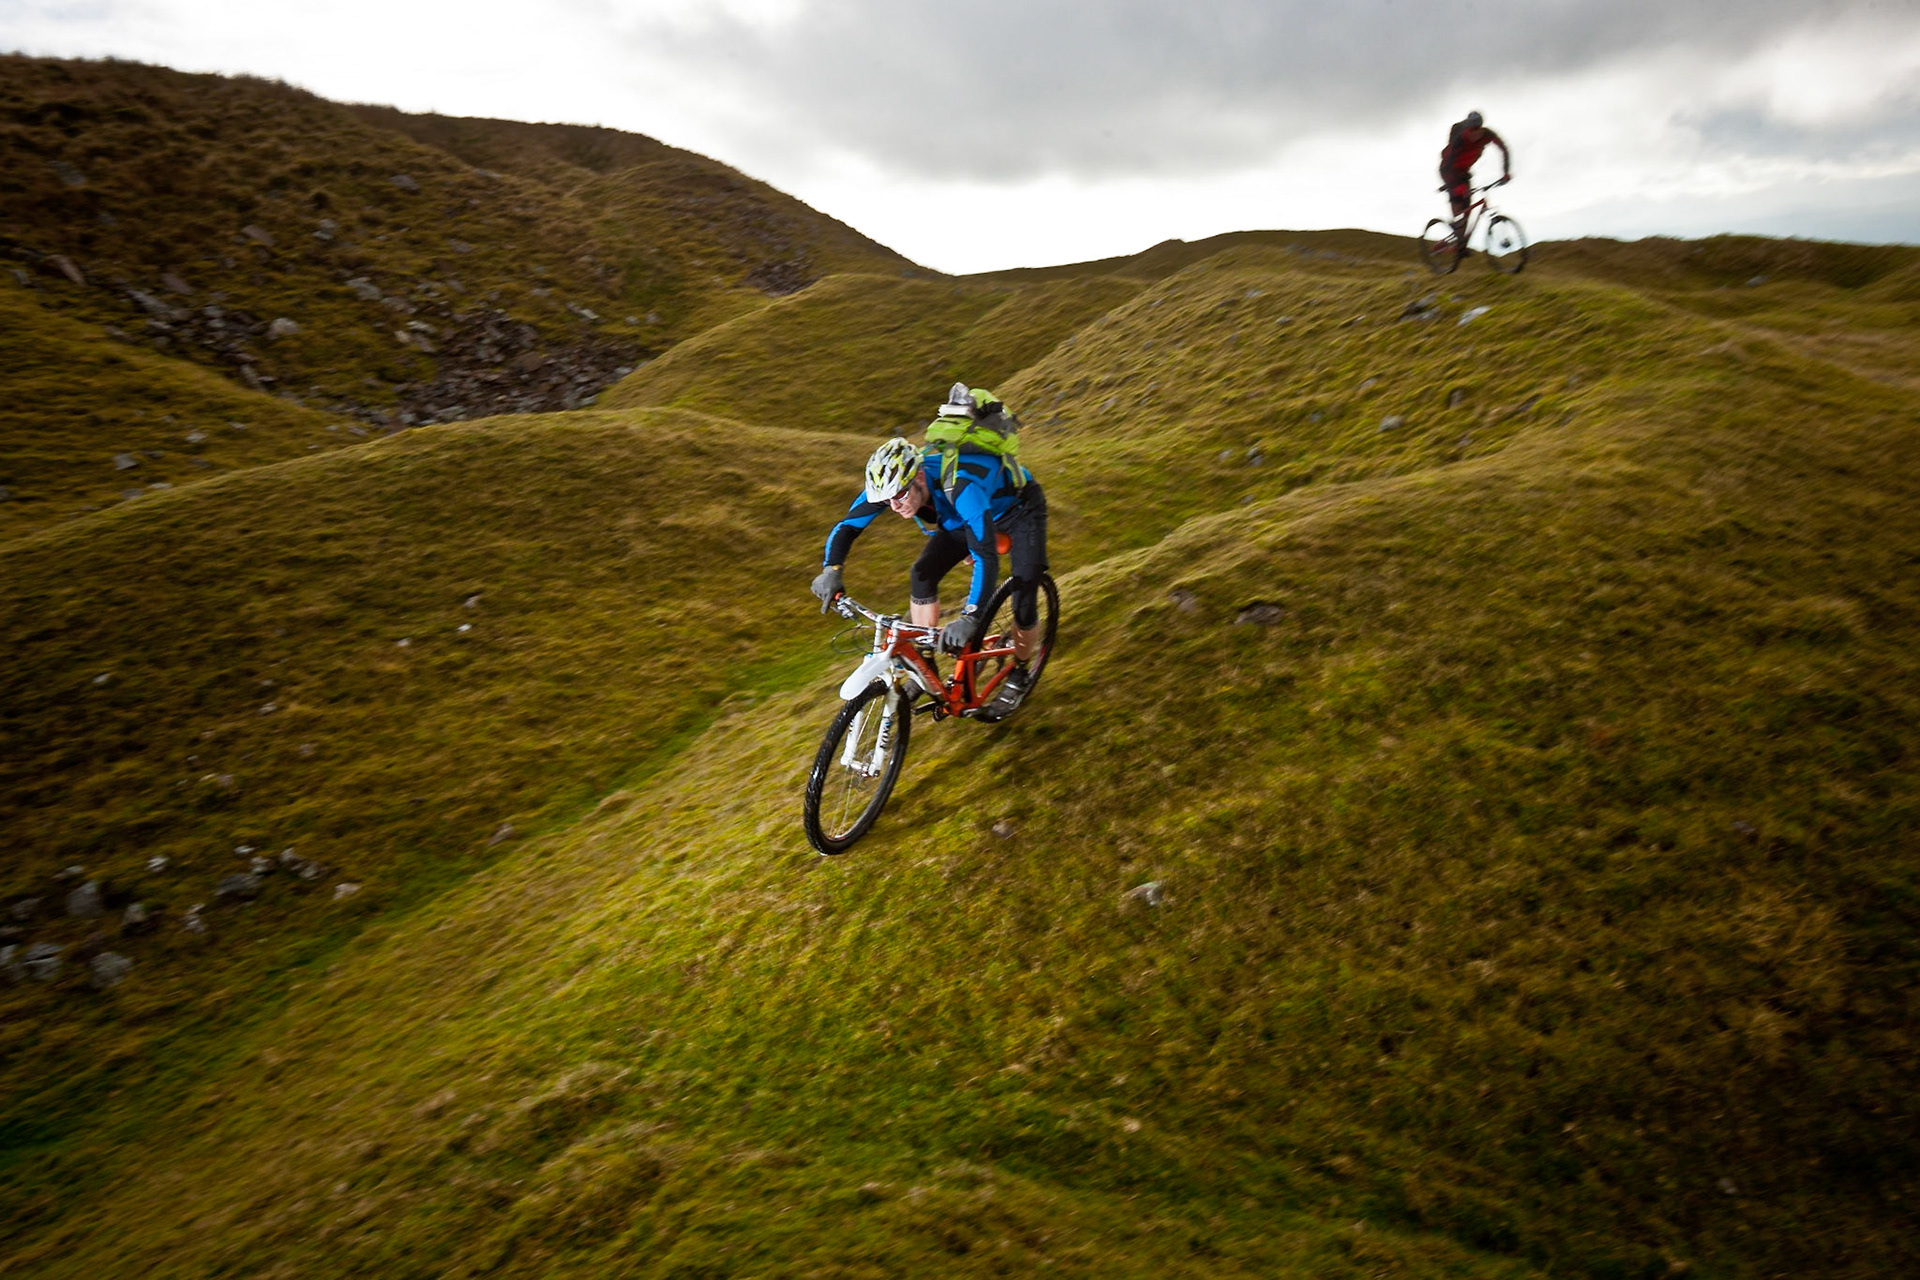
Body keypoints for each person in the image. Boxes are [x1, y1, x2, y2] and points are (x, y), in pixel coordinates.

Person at [811, 382, 1049, 719]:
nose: (894, 506)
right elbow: (847, 526)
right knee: (922, 574)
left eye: (902, 495)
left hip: (1017, 510)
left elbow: (985, 556)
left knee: (1024, 592)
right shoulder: (892, 487)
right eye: (887, 500)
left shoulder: (961, 485)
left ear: (919, 476)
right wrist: (830, 569)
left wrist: (970, 616)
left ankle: (1021, 672)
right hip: (963, 519)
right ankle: (925, 670)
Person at [1439, 111, 1511, 247]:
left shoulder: (1488, 135)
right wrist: (1450, 184)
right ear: (1467, 129)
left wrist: (1506, 172)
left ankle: (1461, 243)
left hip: (1463, 172)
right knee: (1459, 195)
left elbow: (1503, 150)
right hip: (1449, 170)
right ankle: (1456, 226)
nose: (1474, 133)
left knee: (1468, 207)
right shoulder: (1460, 138)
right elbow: (1449, 160)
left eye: (1477, 130)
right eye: (1471, 130)